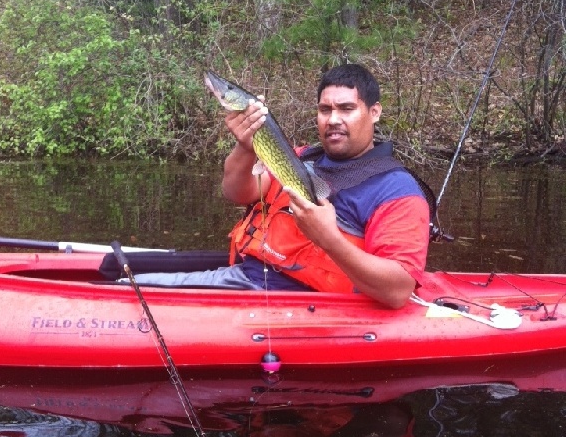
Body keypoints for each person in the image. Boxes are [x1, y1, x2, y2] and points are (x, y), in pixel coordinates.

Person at [132, 64, 430, 308]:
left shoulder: (396, 190)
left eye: (346, 108)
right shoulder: (300, 157)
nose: (333, 119)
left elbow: (397, 291)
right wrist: (246, 146)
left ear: (374, 112)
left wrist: (330, 240)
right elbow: (236, 192)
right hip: (251, 276)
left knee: (128, 290)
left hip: (303, 304)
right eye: (325, 110)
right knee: (125, 276)